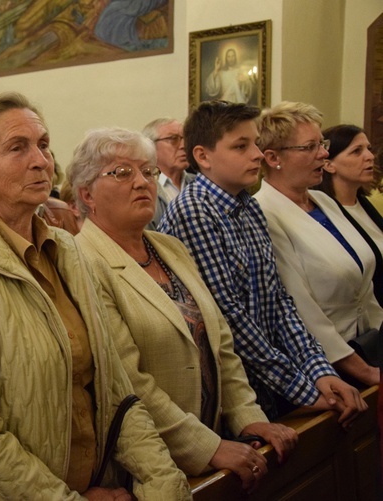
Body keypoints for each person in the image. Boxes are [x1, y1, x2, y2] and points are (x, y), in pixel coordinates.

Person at [0, 93, 190, 500]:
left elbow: (115, 389)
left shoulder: (67, 254)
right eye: (17, 148)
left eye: (44, 144)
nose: (40, 160)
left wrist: (164, 486)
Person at [68, 127, 297, 490]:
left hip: (217, 441)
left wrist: (246, 416)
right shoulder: (82, 262)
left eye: (148, 171)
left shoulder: (170, 248)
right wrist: (207, 447)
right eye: (123, 173)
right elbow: (129, 380)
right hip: (149, 466)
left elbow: (220, 342)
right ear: (86, 195)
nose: (142, 182)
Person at [159, 101, 366, 423]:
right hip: (234, 397)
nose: (257, 154)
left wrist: (319, 370)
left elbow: (279, 302)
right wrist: (304, 389)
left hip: (270, 383)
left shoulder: (247, 207)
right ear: (203, 156)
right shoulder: (195, 211)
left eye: (255, 143)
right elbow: (230, 319)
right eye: (241, 146)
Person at [255, 104, 383, 386]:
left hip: (370, 343)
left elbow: (365, 280)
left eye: (322, 144)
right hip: (330, 365)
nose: (324, 154)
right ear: (274, 157)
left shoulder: (322, 200)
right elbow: (302, 308)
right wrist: (361, 370)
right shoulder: (265, 213)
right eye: (310, 147)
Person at [317, 124, 383, 306]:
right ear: (329, 165)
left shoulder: (365, 204)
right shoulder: (325, 214)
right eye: (356, 151)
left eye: (368, 149)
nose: (369, 157)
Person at [142, 118, 194, 228]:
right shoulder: (143, 188)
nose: (183, 146)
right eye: (173, 139)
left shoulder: (199, 183)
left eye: (186, 139)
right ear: (151, 147)